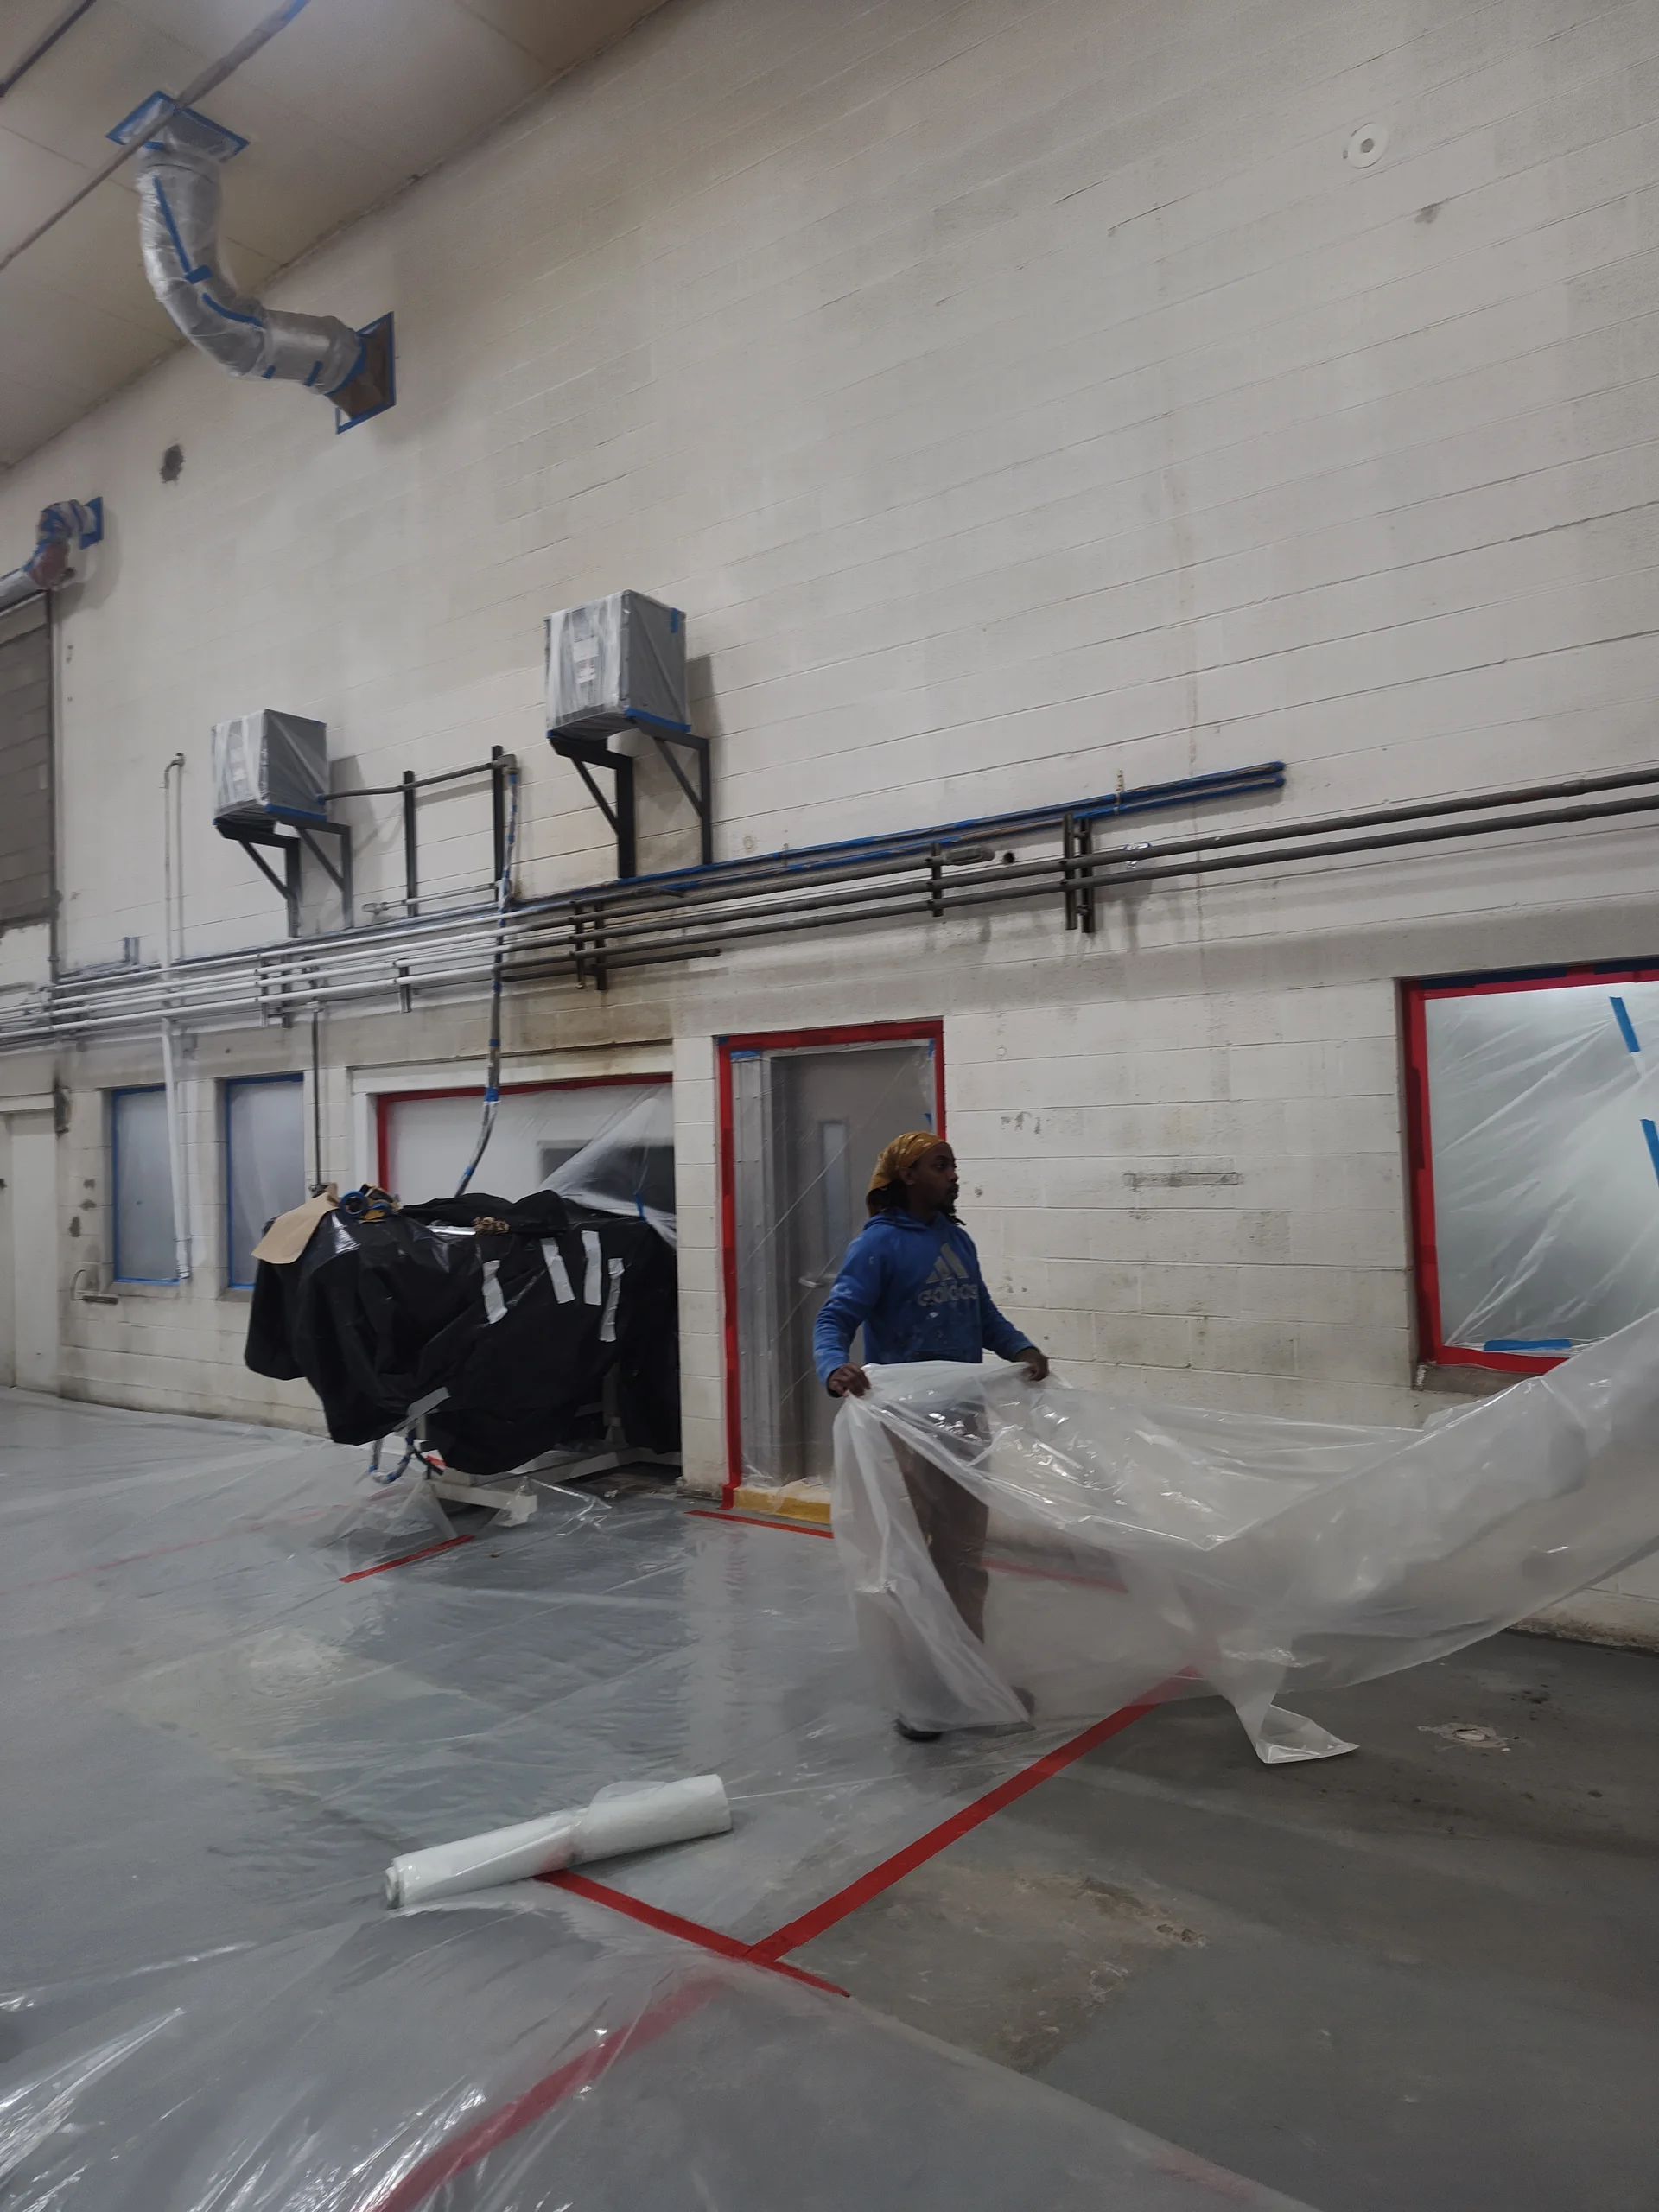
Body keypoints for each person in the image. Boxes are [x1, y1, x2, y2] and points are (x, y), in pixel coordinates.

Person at [812, 1131, 1048, 1738]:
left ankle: (966, 1674)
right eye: (939, 1165)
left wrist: (1018, 1346)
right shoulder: (879, 1247)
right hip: (906, 1428)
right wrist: (833, 1366)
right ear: (907, 1175)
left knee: (964, 1557)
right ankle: (918, 1686)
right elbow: (835, 1318)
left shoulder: (956, 1239)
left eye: (953, 1164)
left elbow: (982, 1314)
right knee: (908, 1558)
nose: (952, 1174)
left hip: (965, 1420)